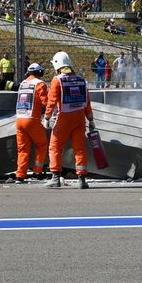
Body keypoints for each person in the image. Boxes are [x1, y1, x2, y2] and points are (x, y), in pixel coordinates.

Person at [44, 51, 95, 189]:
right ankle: (82, 180)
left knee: (55, 147)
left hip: (63, 118)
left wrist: (47, 117)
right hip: (79, 118)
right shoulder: (81, 80)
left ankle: (55, 178)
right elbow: (87, 102)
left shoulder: (57, 80)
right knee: (80, 148)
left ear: (57, 65)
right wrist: (90, 119)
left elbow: (51, 101)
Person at [11, 63, 49, 183]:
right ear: (40, 72)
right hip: (32, 119)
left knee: (22, 149)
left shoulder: (23, 83)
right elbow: (46, 102)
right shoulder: (40, 84)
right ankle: (37, 171)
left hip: (19, 120)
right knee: (42, 145)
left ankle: (20, 175)